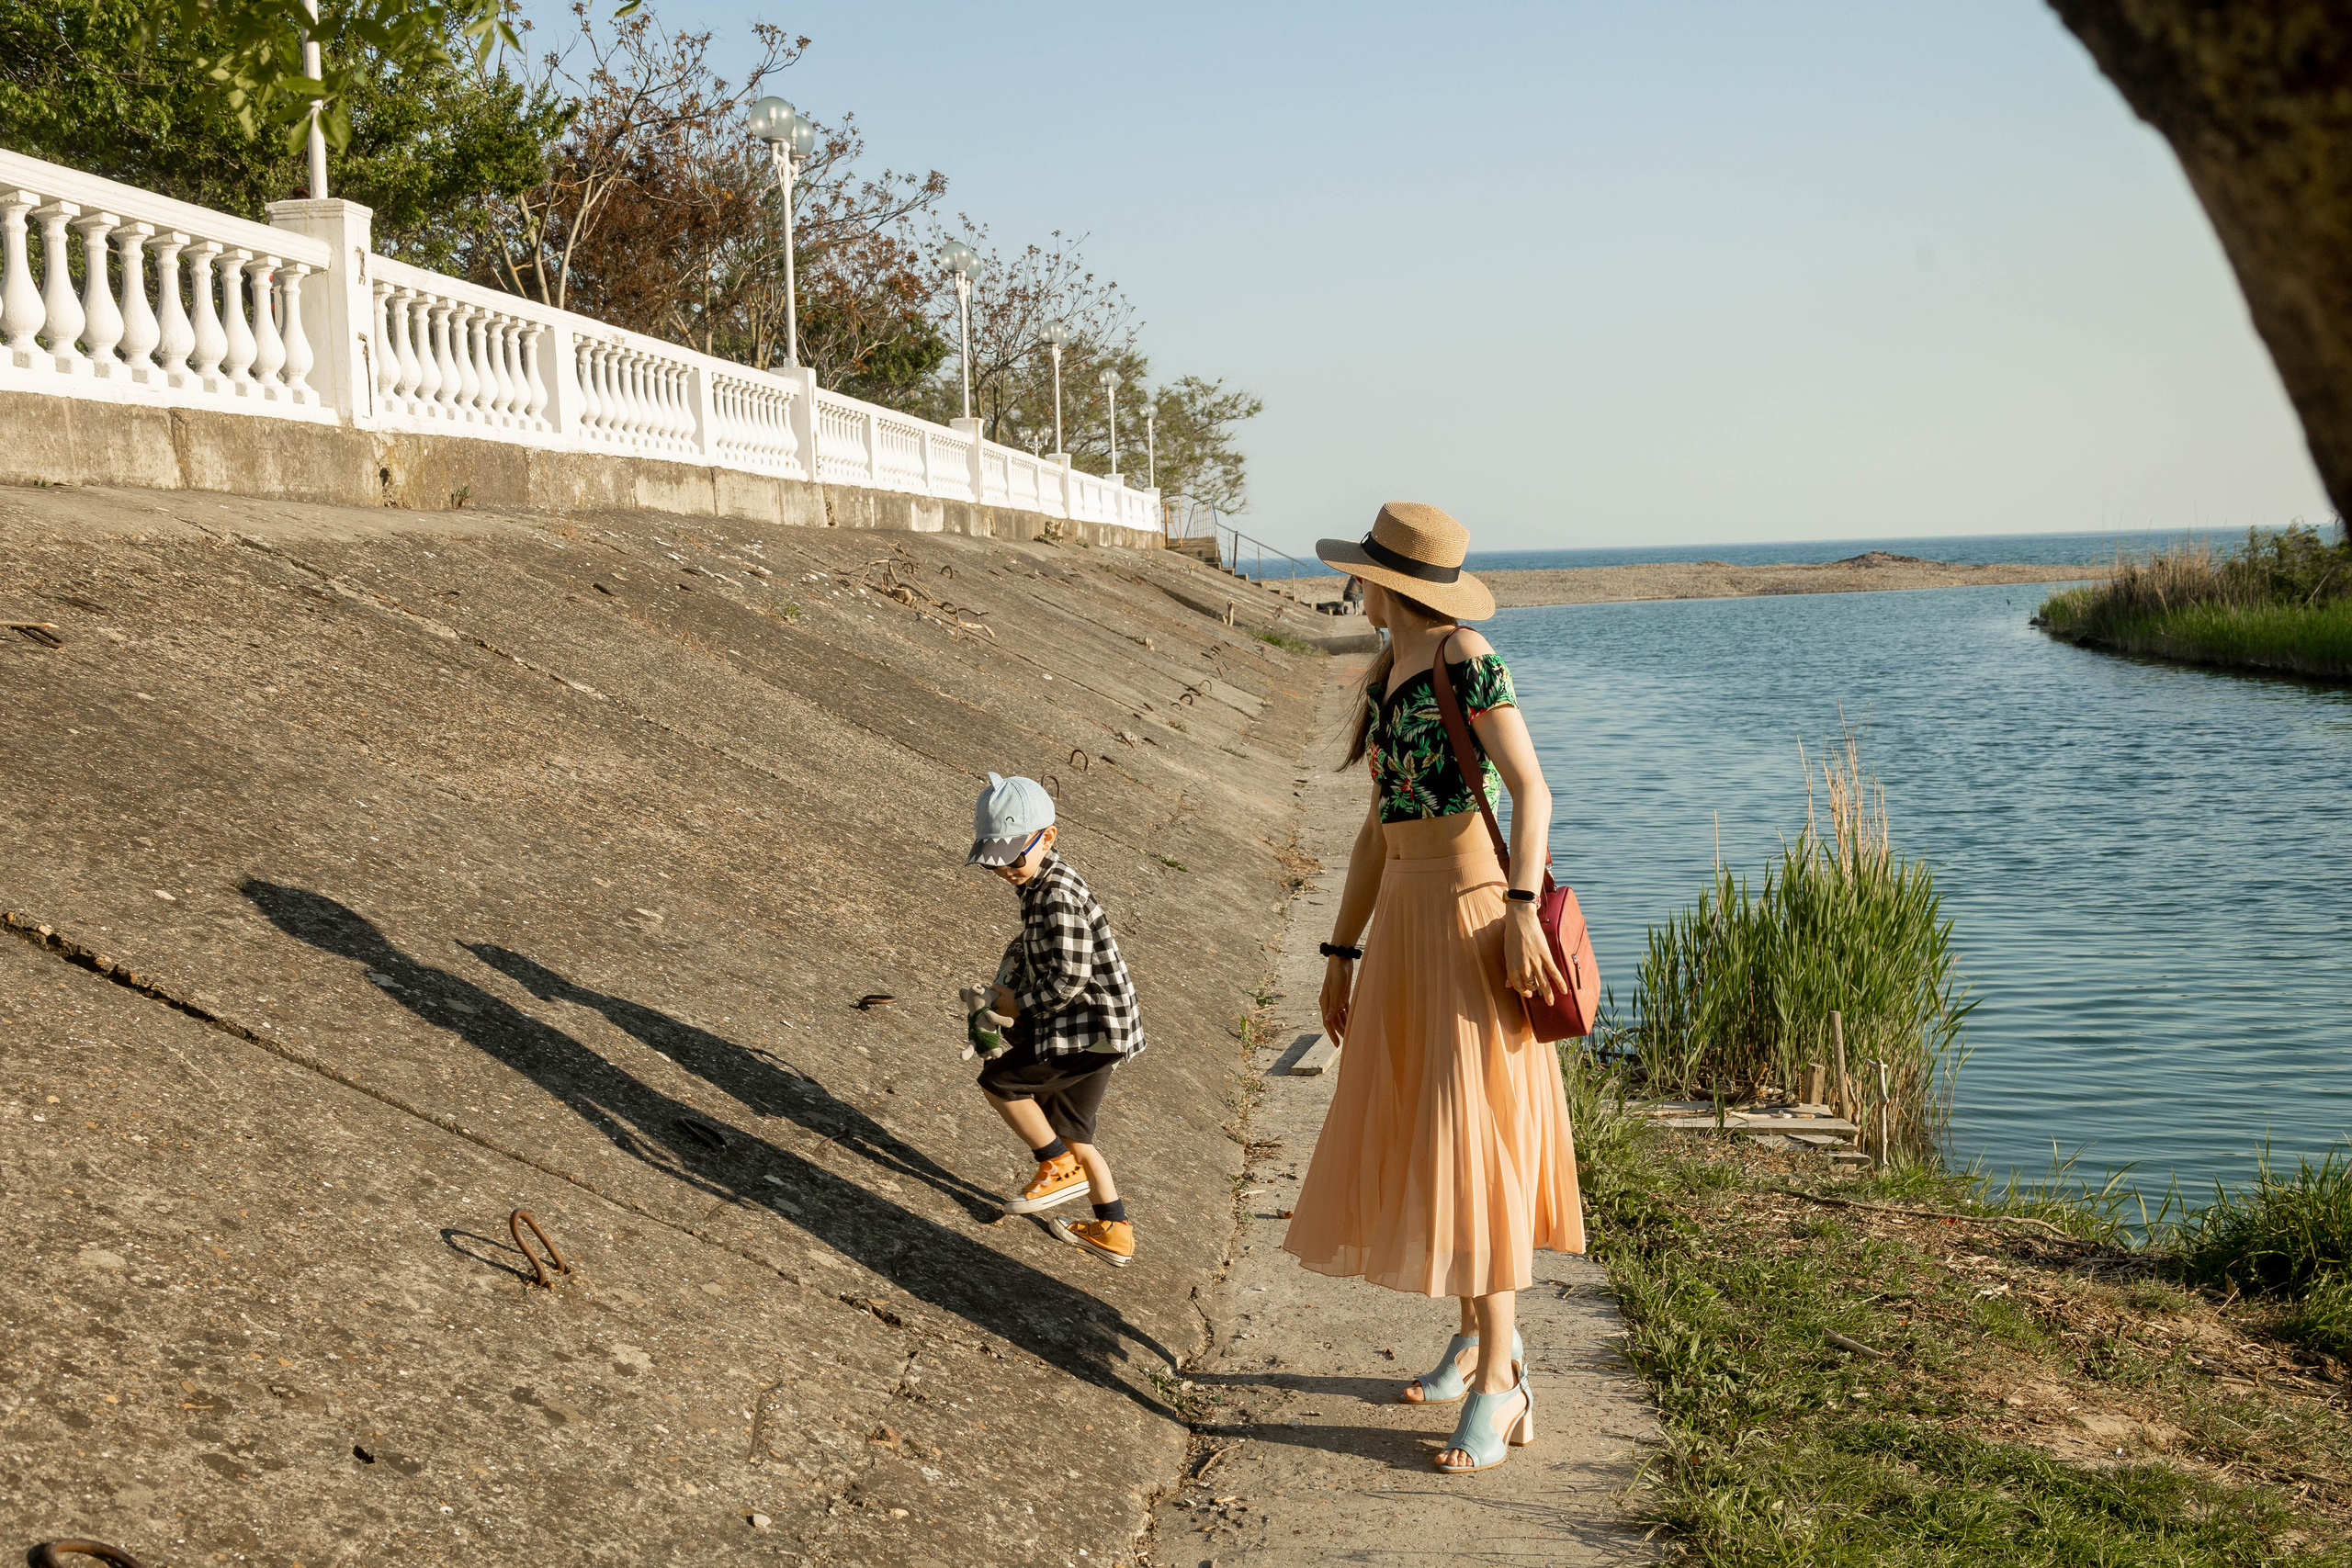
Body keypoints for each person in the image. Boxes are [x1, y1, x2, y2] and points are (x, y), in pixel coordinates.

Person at [1281, 502, 1584, 1475]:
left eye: (1364, 573)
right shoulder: (1384, 675)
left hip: (1469, 915)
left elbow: (1531, 789)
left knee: (1469, 1135)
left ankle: (1505, 1380)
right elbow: (1377, 828)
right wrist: (1338, 950)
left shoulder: (1465, 658)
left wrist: (1523, 908)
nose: (1353, 586)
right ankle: (1475, 1340)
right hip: (1405, 924)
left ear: (1389, 582)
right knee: (1425, 1126)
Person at [964, 772, 1148, 1268]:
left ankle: (1055, 1166)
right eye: (995, 861)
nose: (1005, 869)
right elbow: (1035, 955)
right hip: (1098, 1032)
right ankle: (1114, 1226)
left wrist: (1015, 1006)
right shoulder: (1037, 884)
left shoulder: (1056, 896)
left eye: (1013, 857)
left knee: (1000, 1082)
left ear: (1048, 837)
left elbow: (1068, 981)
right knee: (1075, 1130)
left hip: (1088, 1030)